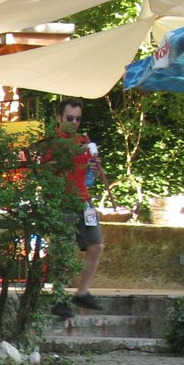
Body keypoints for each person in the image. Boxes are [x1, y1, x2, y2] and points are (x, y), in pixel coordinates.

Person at [49, 98, 107, 314]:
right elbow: (48, 168)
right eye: (69, 118)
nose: (74, 122)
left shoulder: (84, 141)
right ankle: (58, 297)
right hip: (62, 200)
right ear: (60, 117)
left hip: (83, 199)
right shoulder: (52, 141)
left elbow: (92, 175)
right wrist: (75, 153)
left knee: (97, 244)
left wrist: (95, 167)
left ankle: (82, 292)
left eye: (78, 119)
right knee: (62, 250)